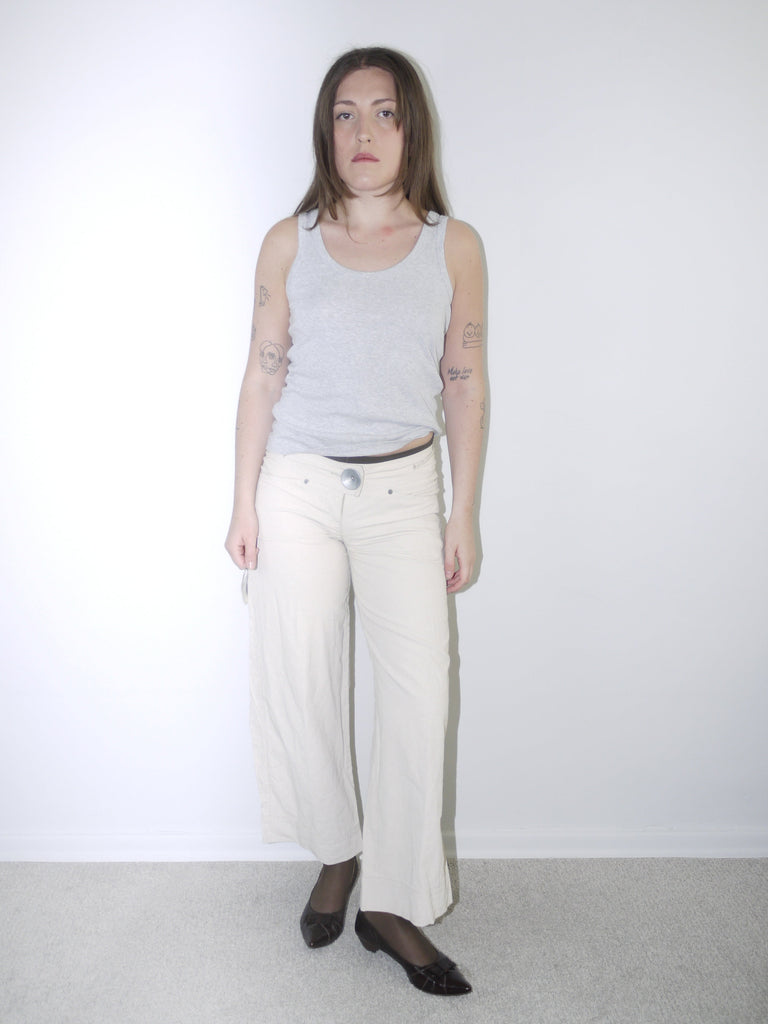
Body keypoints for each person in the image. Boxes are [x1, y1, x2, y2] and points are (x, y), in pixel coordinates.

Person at [225, 46, 485, 997]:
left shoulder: (453, 245)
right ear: (325, 131)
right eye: (345, 113)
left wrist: (465, 512)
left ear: (412, 129)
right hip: (295, 489)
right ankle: (338, 851)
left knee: (418, 697)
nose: (363, 132)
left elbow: (465, 381)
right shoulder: (287, 242)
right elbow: (262, 373)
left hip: (404, 495)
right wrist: (242, 499)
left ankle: (393, 900)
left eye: (384, 112)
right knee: (301, 678)